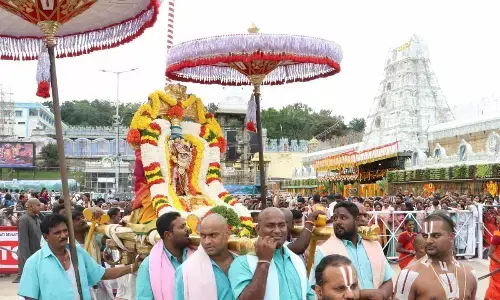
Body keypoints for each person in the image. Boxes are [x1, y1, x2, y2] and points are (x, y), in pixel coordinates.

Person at [18, 214, 137, 300]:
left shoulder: (78, 253)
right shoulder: (34, 262)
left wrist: (133, 267)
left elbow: (102, 274)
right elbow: (29, 296)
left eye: (65, 231)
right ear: (46, 237)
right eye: (57, 233)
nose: (63, 235)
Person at [228, 207, 314, 300]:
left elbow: (308, 295)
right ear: (257, 229)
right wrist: (264, 262)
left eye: (281, 225)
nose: (277, 231)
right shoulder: (242, 263)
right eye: (270, 225)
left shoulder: (296, 260)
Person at [312, 202, 393, 299]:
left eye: (343, 218)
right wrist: (365, 294)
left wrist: (381, 295)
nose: (337, 222)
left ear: (356, 220)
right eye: (335, 218)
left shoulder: (374, 245)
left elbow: (388, 280)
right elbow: (317, 290)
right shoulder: (324, 251)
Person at [393, 213, 477, 300]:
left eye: (436, 235)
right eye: (425, 236)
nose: (428, 241)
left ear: (451, 237)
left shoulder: (470, 273)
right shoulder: (409, 275)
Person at [175, 213, 235, 300]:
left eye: (213, 235)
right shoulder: (185, 271)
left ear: (227, 234)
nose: (207, 241)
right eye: (203, 236)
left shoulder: (243, 262)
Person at [136, 212, 194, 299]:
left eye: (185, 225)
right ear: (168, 235)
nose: (187, 229)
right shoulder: (149, 266)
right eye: (182, 227)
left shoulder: (196, 256)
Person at [14, 198, 42, 283]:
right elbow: (23, 242)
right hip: (28, 257)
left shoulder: (37, 218)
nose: (40, 207)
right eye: (38, 205)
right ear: (31, 206)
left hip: (37, 255)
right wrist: (27, 259)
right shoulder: (24, 219)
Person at [485, 217, 500, 299]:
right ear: (498, 224)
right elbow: (490, 253)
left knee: (493, 286)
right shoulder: (497, 237)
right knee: (496, 286)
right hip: (496, 266)